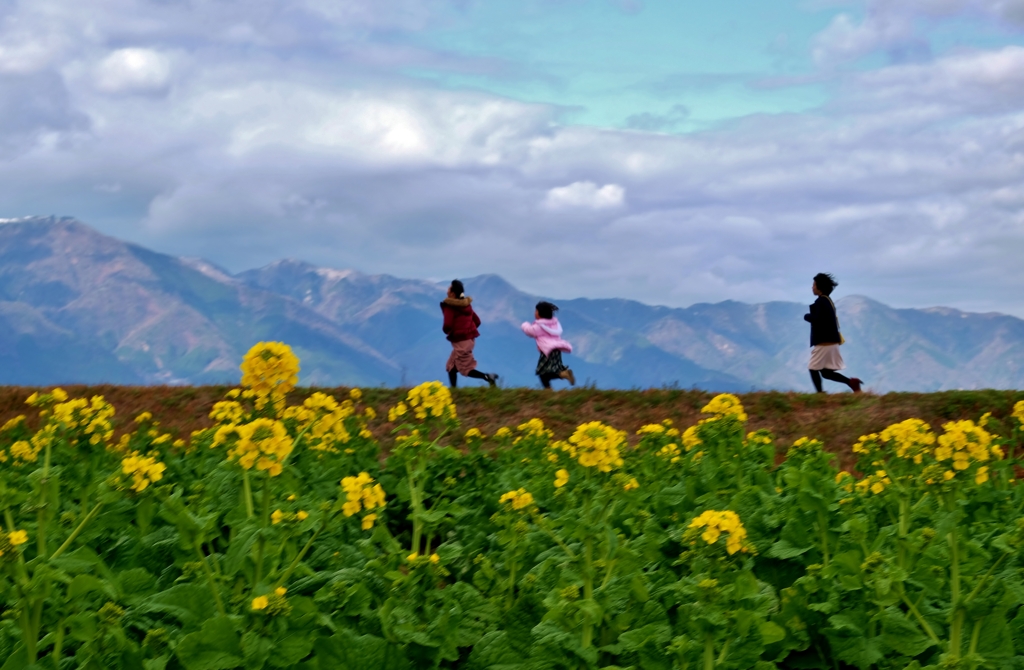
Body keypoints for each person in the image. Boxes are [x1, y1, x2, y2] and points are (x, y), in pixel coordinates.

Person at [804, 273, 862, 393]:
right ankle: (852, 382)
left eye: (814, 285)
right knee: (826, 373)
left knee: (812, 368)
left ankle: (820, 394)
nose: (812, 287)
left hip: (824, 342)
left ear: (819, 287)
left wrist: (807, 316)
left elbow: (818, 319)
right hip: (831, 341)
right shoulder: (828, 301)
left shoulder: (821, 301)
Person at [441, 280, 498, 388]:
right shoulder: (467, 306)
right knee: (451, 366)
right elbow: (477, 321)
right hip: (469, 340)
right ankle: (454, 391)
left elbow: (447, 325)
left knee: (465, 368)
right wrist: (468, 331)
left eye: (449, 288)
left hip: (460, 341)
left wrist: (450, 331)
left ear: (452, 293)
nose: (447, 290)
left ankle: (488, 377)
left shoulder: (450, 306)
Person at [521, 301, 576, 389]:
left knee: (543, 372)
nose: (535, 312)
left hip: (547, 350)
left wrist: (524, 325)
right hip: (556, 350)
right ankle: (553, 384)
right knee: (550, 371)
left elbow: (530, 331)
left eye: (536, 311)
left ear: (540, 313)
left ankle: (558, 379)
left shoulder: (539, 326)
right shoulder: (554, 324)